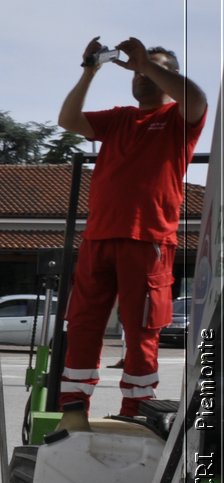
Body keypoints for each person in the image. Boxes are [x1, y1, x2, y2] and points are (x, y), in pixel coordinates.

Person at [56, 37, 207, 416]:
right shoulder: (122, 116)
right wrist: (90, 72)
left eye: (153, 69)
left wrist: (147, 63)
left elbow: (198, 99)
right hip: (99, 237)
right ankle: (73, 406)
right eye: (138, 71)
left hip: (148, 238)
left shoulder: (178, 118)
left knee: (142, 331)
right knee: (84, 325)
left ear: (170, 76)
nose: (141, 75)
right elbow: (69, 121)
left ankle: (137, 409)